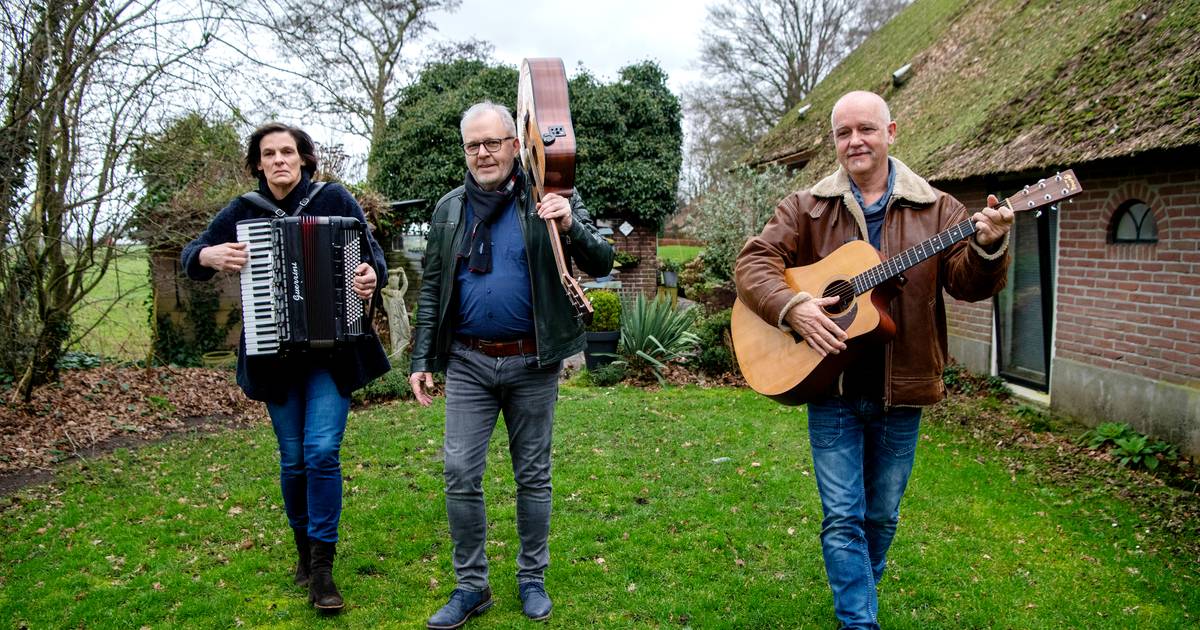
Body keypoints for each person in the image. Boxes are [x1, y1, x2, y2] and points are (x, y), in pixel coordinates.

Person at [734, 91, 1013, 629]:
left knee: (880, 517)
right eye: (843, 133)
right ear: (835, 143)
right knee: (843, 518)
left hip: (901, 388)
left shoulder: (939, 208)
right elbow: (753, 264)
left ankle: (859, 591)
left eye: (865, 129)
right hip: (829, 385)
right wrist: (792, 306)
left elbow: (966, 284)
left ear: (891, 131)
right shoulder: (806, 206)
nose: (855, 141)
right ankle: (858, 622)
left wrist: (989, 248)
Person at [410, 101, 613, 628]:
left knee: (534, 476)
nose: (483, 153)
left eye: (493, 143)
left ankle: (531, 578)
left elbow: (603, 259)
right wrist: (422, 356)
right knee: (459, 473)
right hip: (469, 361)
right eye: (473, 145)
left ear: (515, 144)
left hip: (532, 361)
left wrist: (569, 224)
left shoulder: (549, 196)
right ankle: (471, 586)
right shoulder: (449, 209)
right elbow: (433, 286)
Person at [180, 122, 390, 614]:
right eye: (269, 153)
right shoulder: (242, 212)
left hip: (331, 355)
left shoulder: (335, 201)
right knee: (293, 460)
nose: (279, 160)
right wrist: (210, 255)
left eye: (288, 152)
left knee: (320, 452)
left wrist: (369, 275)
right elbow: (193, 255)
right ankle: (302, 550)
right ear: (257, 163)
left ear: (303, 159)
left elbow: (373, 257)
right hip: (274, 356)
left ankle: (322, 569)